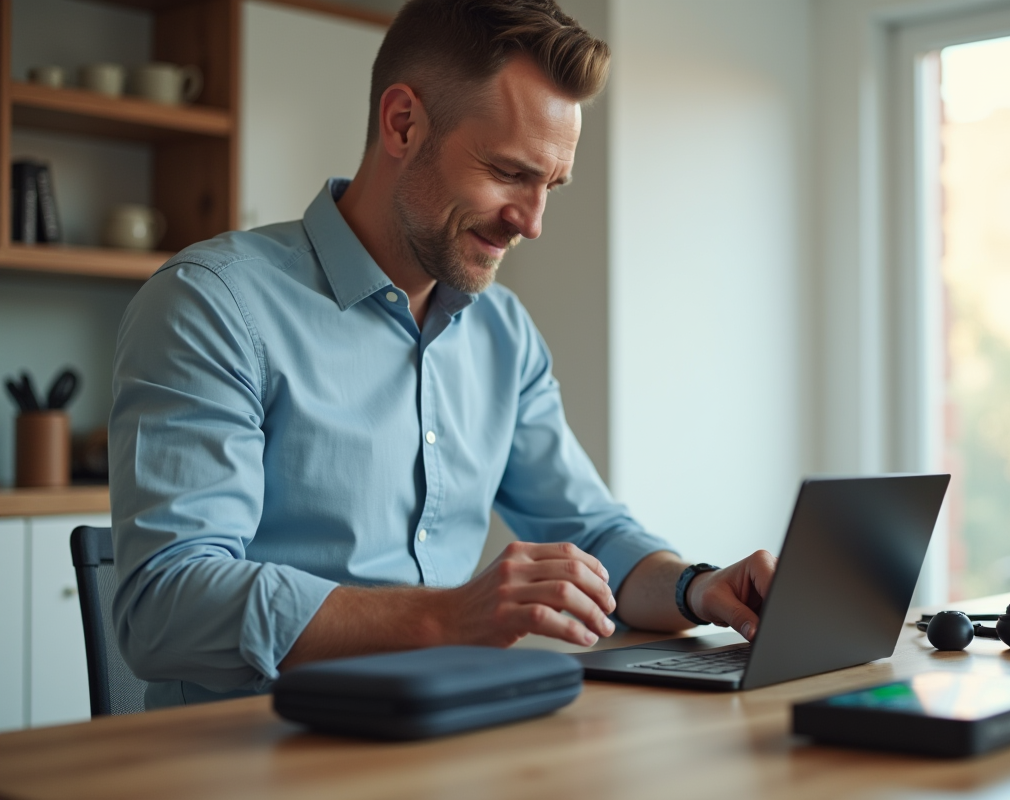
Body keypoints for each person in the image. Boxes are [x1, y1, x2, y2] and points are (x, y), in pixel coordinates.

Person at [110, 0, 777, 709]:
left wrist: (697, 587)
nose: (532, 221)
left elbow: (591, 533)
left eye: (549, 185)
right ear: (404, 124)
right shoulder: (214, 305)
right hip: (252, 755)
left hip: (449, 735)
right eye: (508, 172)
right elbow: (165, 605)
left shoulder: (504, 334)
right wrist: (448, 617)